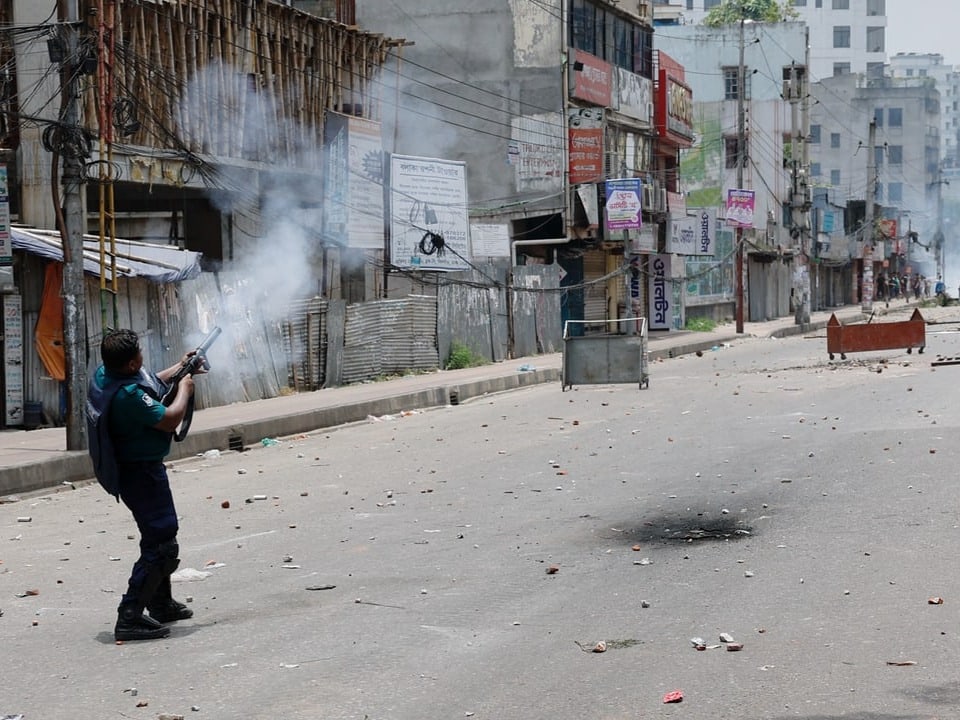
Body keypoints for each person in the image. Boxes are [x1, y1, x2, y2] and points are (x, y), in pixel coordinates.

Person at [88, 329, 204, 641]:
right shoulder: (128, 396)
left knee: (156, 534)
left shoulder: (106, 374)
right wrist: (185, 388)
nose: (142, 358)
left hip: (132, 468)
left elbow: (147, 381)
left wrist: (180, 367)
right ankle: (129, 615)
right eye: (138, 355)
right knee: (162, 540)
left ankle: (161, 602)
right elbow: (169, 418)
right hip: (139, 472)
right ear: (127, 364)